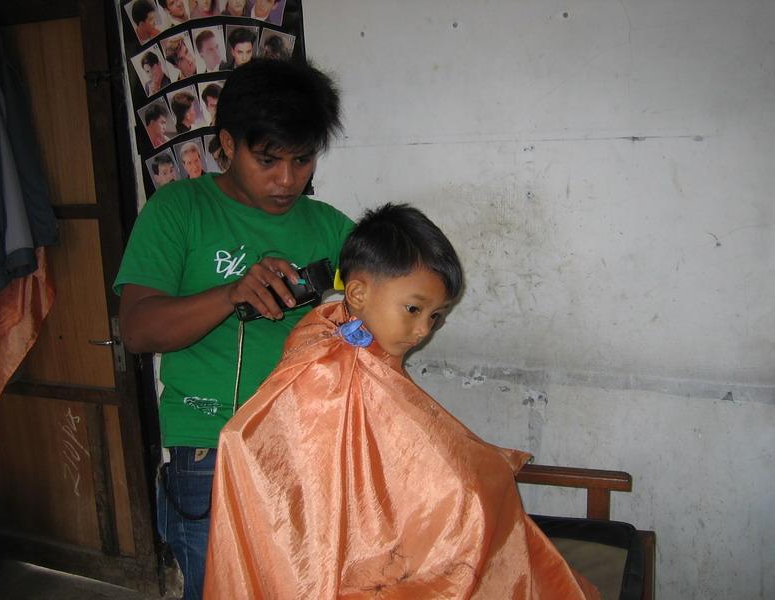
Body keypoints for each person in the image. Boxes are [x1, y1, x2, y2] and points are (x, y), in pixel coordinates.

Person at [202, 204, 600, 599]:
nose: (423, 330)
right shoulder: (326, 366)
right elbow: (277, 456)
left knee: (485, 490)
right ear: (357, 293)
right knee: (474, 508)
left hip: (387, 534)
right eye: (414, 309)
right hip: (351, 555)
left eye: (435, 316)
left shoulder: (359, 339)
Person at [113, 58, 352, 600]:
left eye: (302, 159)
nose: (287, 180)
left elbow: (389, 289)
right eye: (268, 160)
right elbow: (138, 330)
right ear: (227, 143)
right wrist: (230, 295)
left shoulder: (328, 226)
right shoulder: (179, 211)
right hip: (210, 447)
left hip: (307, 446)